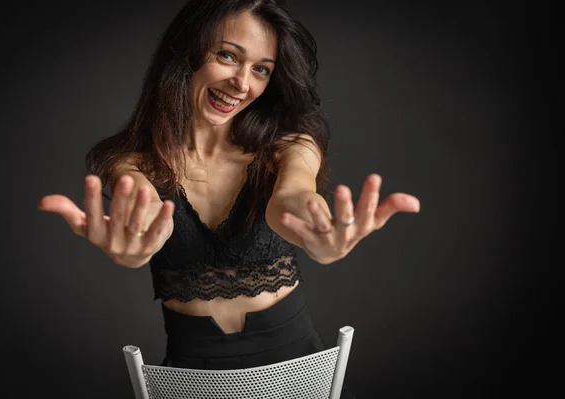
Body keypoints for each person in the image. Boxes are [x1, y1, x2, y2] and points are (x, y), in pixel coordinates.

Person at [38, 0, 419, 397]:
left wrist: (314, 232)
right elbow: (147, 207)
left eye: (261, 70)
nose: (242, 83)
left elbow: (291, 196)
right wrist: (136, 247)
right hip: (193, 370)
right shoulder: (130, 162)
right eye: (227, 56)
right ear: (184, 53)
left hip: (294, 362)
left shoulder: (290, 146)